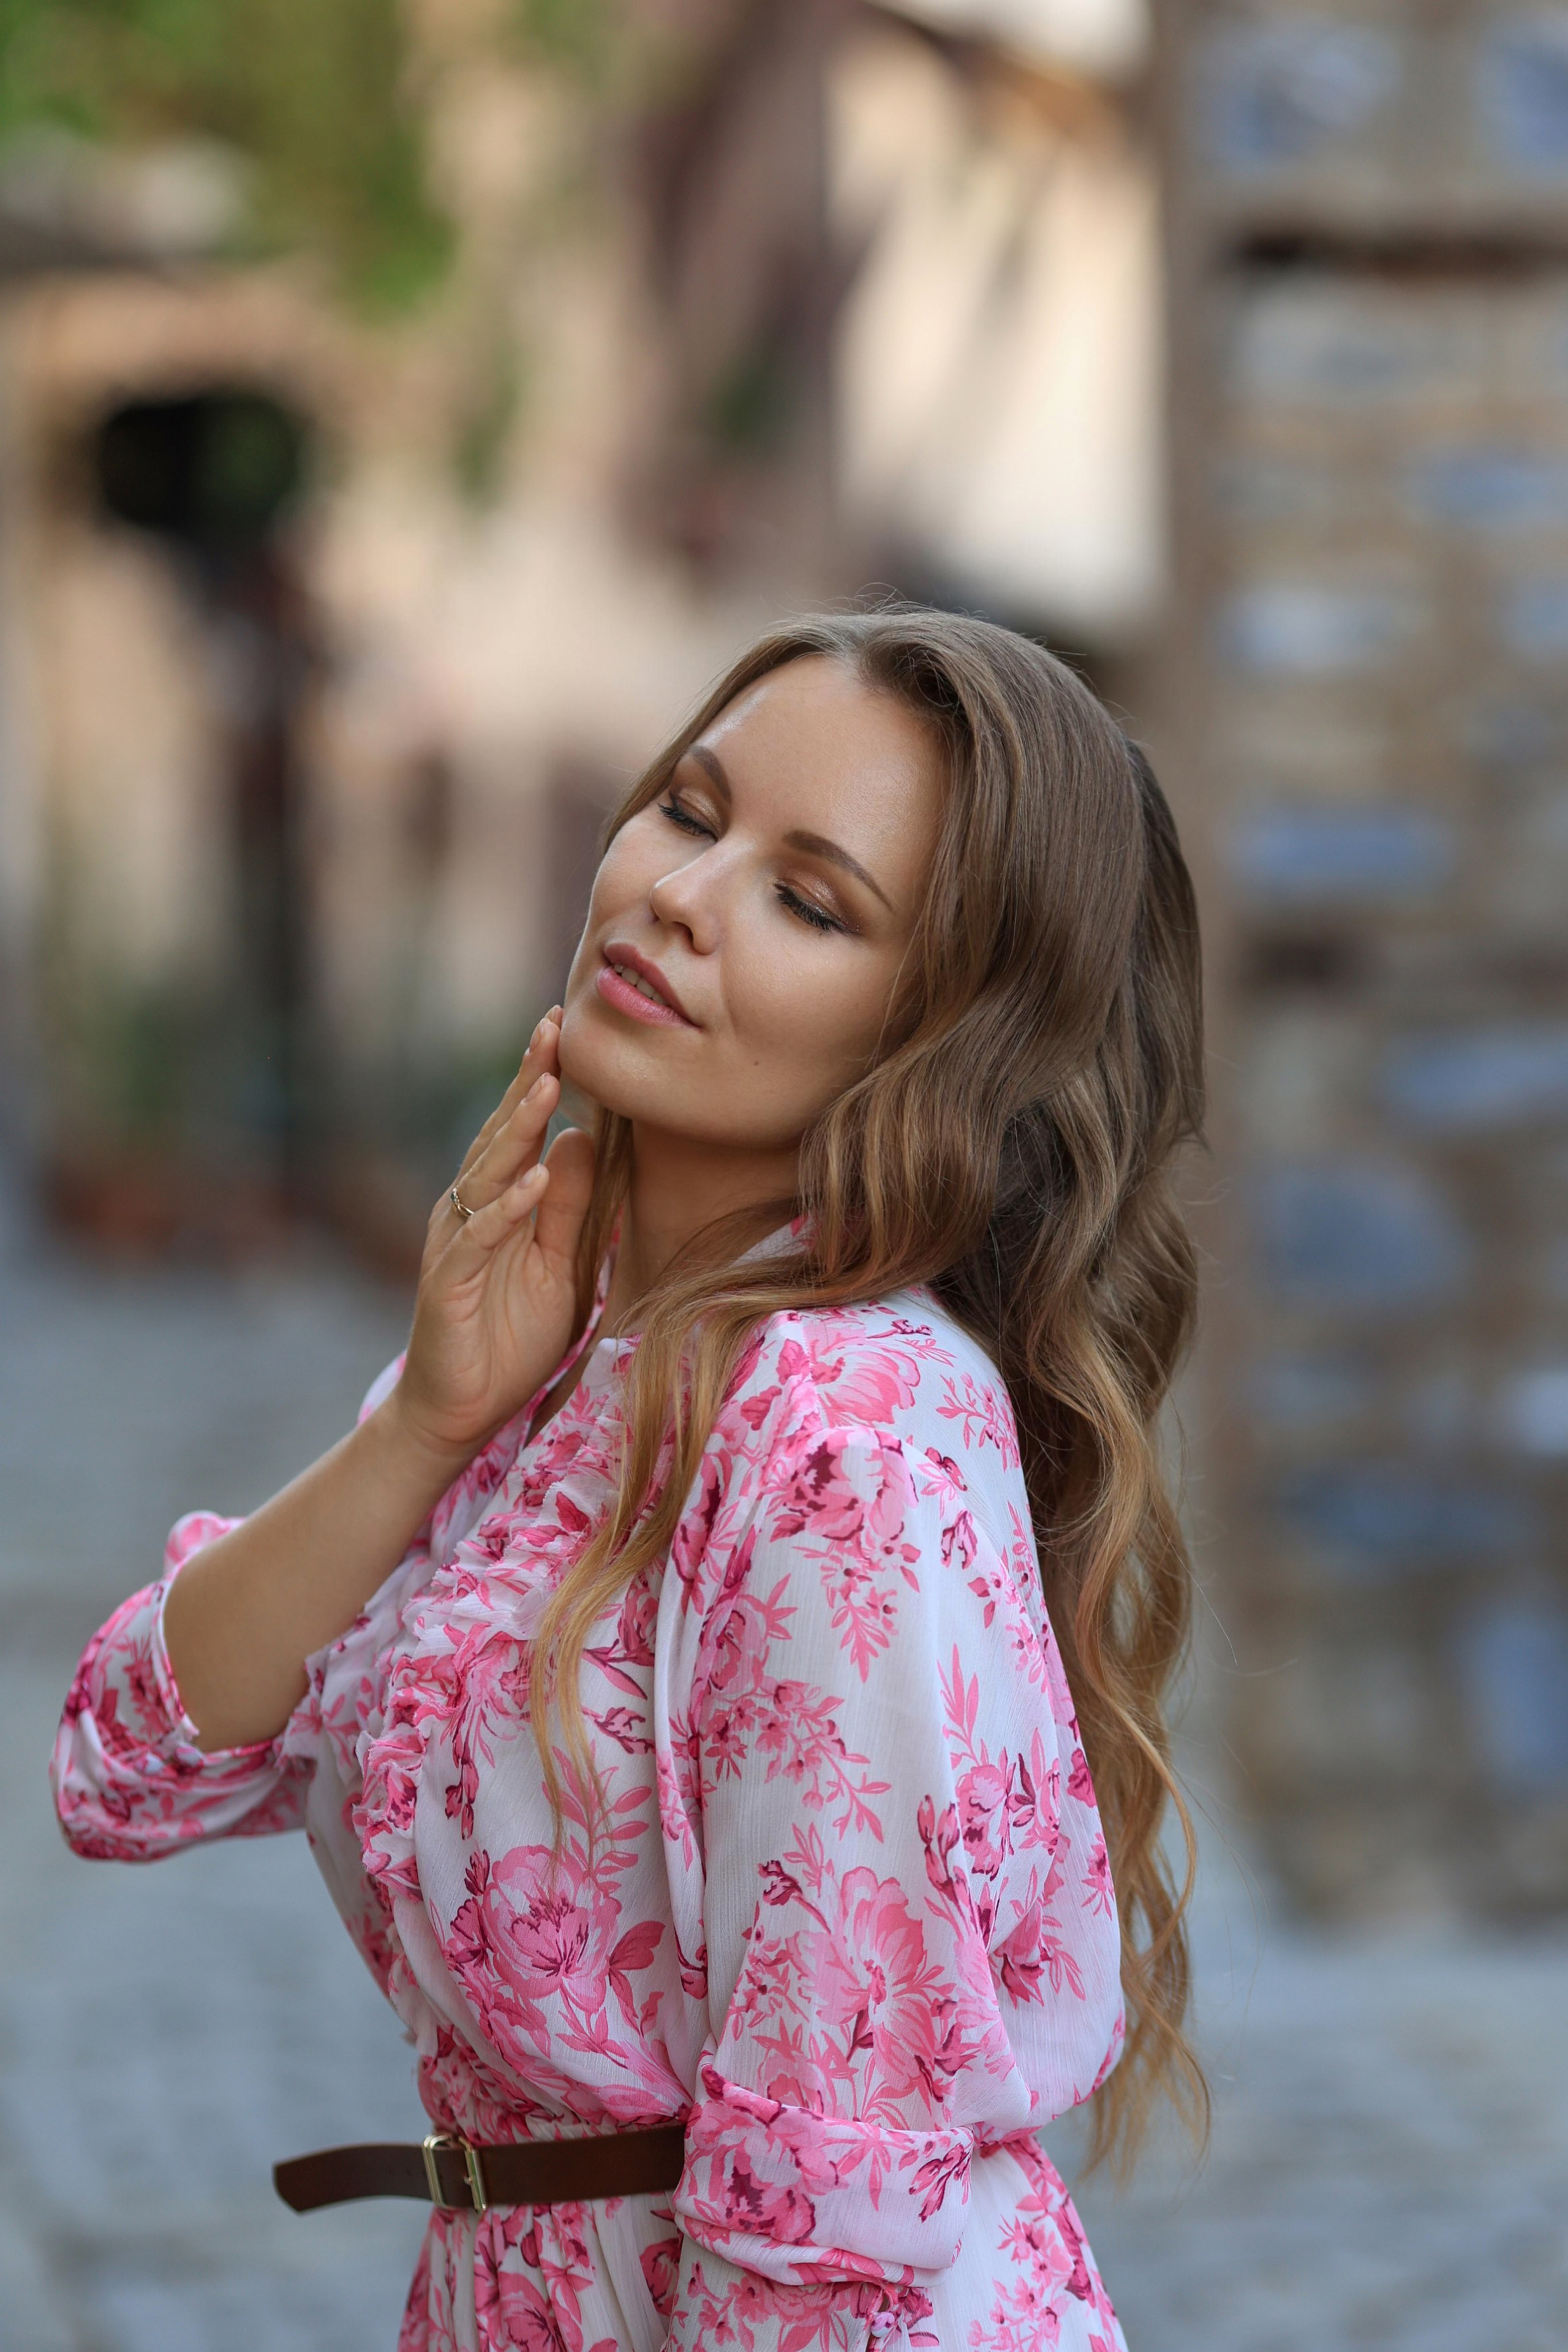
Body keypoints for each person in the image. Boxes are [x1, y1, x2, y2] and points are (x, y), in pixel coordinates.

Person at [51, 608, 1207, 2352]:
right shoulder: (559, 1351)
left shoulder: (848, 1443)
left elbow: (831, 2200)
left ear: (940, 1038)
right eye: (689, 809)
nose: (684, 892)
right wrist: (422, 1428)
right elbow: (121, 1770)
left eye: (811, 902)